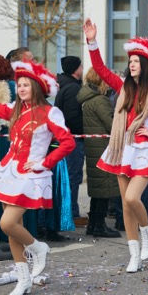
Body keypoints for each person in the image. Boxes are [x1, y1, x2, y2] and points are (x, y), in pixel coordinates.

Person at [0, 59, 76, 295]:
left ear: (37, 87)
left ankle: (38, 248)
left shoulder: (50, 112)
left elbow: (68, 142)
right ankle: (24, 279)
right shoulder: (16, 109)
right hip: (9, 172)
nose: (21, 89)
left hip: (30, 174)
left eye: (26, 85)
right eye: (19, 85)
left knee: (7, 223)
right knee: (14, 228)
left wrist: (44, 162)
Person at [83, 19, 148, 273]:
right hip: (123, 147)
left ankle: (146, 231)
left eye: (137, 61)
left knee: (132, 197)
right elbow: (100, 69)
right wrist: (92, 42)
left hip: (146, 150)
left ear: (147, 64)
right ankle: (134, 254)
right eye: (130, 61)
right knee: (126, 204)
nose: (132, 64)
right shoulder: (124, 86)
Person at [76, 67, 121, 237]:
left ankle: (93, 225)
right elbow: (111, 124)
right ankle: (99, 226)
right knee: (104, 188)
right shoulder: (100, 100)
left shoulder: (88, 98)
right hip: (103, 148)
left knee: (98, 189)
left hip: (94, 148)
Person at [55, 55, 86, 225]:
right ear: (75, 69)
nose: (82, 69)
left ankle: (69, 212)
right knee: (73, 177)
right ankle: (71, 213)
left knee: (69, 176)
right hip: (72, 139)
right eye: (80, 66)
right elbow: (72, 116)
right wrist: (82, 131)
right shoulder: (73, 88)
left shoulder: (65, 85)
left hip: (66, 138)